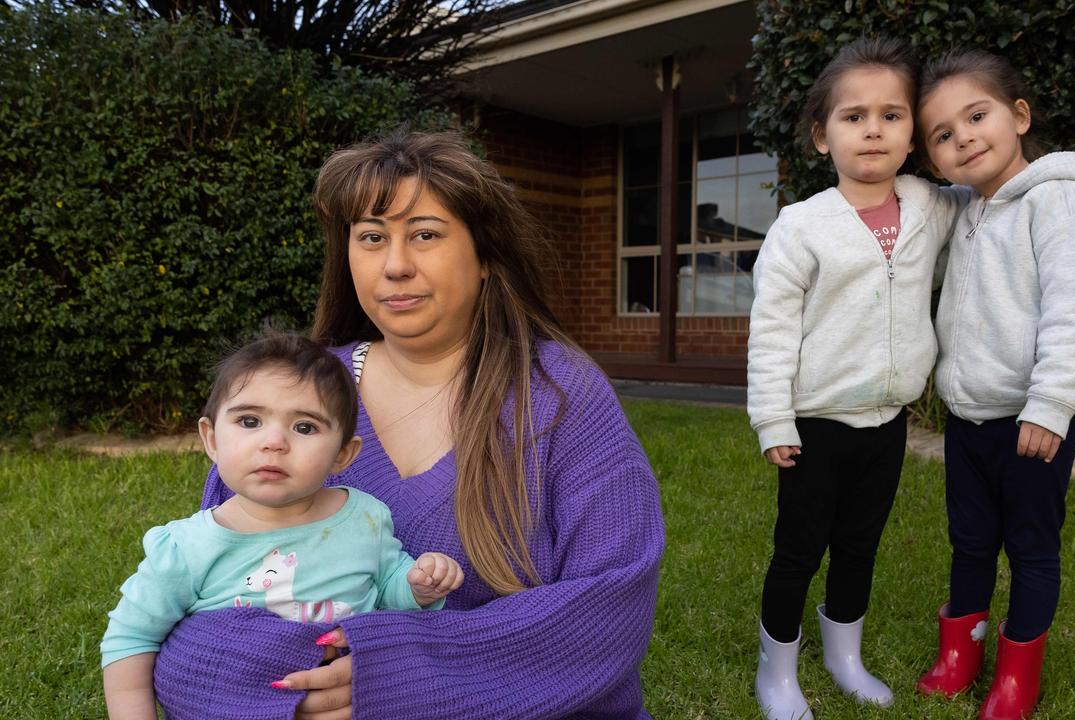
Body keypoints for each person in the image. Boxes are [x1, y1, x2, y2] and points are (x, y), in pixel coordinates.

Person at [147, 130, 665, 720]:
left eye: (425, 234)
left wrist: (398, 675)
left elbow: (610, 608)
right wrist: (296, 685)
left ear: (487, 256)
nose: (395, 265)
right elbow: (199, 615)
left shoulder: (560, 394)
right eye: (371, 237)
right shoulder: (294, 396)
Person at [747, 37, 970, 720]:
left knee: (859, 545)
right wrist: (773, 419)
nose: (873, 129)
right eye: (853, 117)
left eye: (892, 115)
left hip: (888, 420)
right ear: (822, 136)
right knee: (799, 548)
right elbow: (773, 330)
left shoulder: (933, 206)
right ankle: (776, 670)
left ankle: (845, 654)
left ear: (914, 136)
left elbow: (998, 193)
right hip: (814, 424)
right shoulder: (801, 227)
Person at [913, 49, 1075, 720]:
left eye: (977, 116)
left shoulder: (1064, 202)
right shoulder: (966, 209)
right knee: (970, 539)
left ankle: (1016, 677)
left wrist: (1052, 404)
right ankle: (961, 654)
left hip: (1034, 421)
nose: (964, 138)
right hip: (969, 419)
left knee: (1030, 546)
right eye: (942, 135)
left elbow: (1073, 309)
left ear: (1020, 116)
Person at [101, 331, 465, 720]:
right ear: (211, 439)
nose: (274, 441)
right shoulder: (187, 547)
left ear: (344, 453)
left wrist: (417, 585)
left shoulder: (365, 518)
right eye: (250, 420)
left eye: (305, 427)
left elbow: (387, 590)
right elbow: (131, 639)